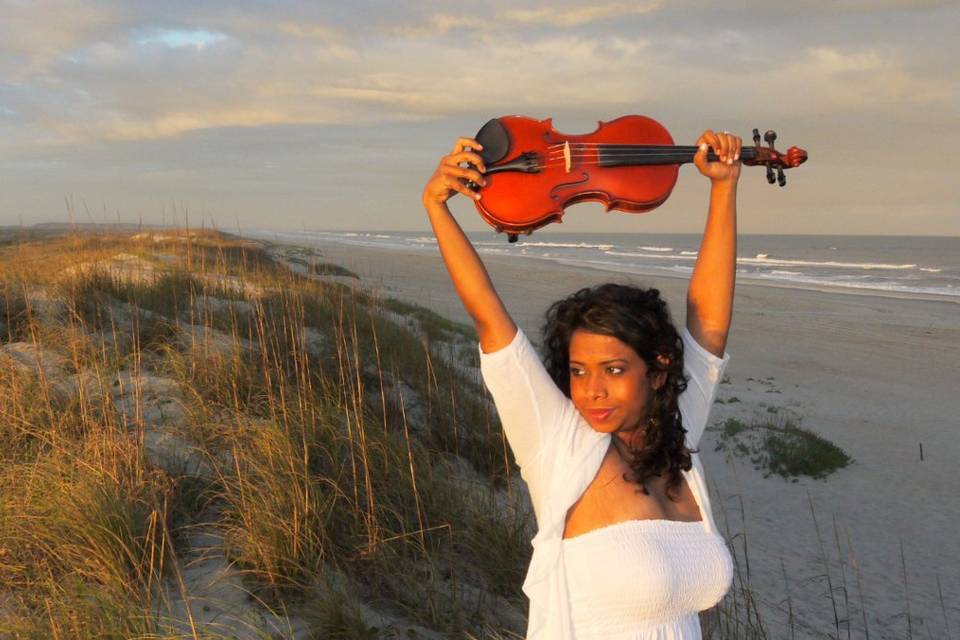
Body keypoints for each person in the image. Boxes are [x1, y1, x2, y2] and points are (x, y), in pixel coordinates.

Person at [421, 129, 741, 639]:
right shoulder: (558, 444)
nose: (591, 390)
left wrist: (723, 188)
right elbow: (490, 320)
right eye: (578, 370)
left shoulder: (681, 439)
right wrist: (438, 206)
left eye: (613, 370)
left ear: (658, 370)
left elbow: (710, 327)